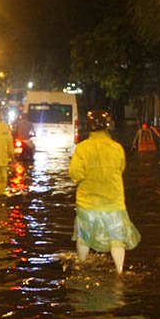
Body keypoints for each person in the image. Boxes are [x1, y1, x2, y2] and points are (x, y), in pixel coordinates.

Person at [68, 110, 141, 274]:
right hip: (113, 201)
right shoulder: (117, 148)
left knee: (83, 238)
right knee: (117, 240)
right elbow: (121, 169)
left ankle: (82, 266)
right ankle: (120, 271)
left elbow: (74, 174)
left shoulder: (82, 148)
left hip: (87, 202)